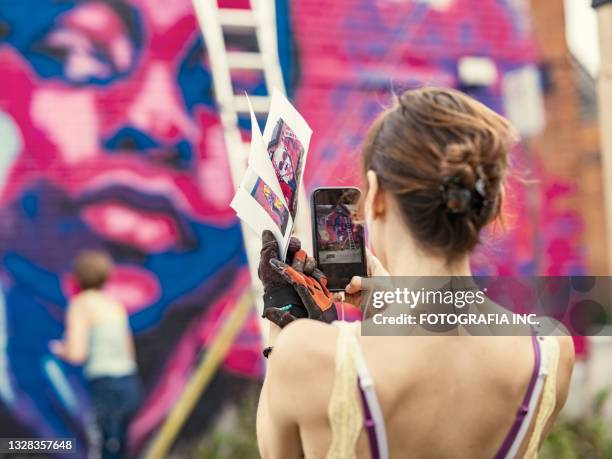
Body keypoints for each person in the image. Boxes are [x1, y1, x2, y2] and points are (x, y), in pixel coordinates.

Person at [256, 87, 575, 458]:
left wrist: (281, 314)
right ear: (485, 204)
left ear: (375, 196)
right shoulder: (550, 354)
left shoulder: (312, 358)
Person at [51, 250, 140, 459]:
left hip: (105, 386)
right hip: (129, 384)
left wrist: (59, 349)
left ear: (78, 277)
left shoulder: (81, 305)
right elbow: (129, 351)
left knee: (101, 449)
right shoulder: (114, 305)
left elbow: (77, 354)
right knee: (119, 448)